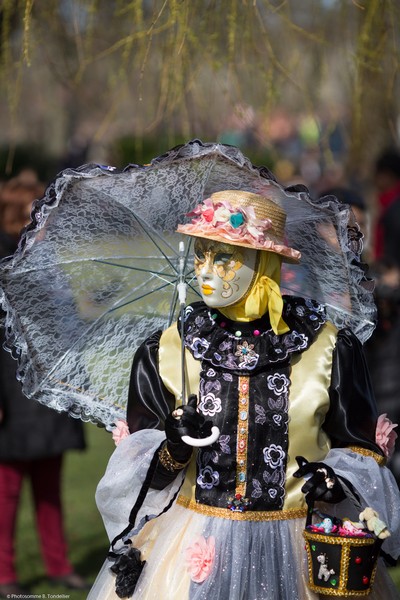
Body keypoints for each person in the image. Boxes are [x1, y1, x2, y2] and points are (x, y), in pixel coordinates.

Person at [88, 187, 400, 600]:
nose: (205, 271)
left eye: (224, 258)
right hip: (192, 542)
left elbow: (359, 448)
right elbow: (143, 476)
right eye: (200, 255)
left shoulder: (328, 348)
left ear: (264, 262)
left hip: (299, 543)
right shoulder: (166, 351)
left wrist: (334, 481)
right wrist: (175, 446)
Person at [0, 170, 88, 597]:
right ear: (19, 211)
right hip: (11, 392)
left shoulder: (49, 259)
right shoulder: (4, 261)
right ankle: (4, 573)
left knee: (50, 488)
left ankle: (59, 565)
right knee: (7, 491)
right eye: (39, 207)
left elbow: (68, 324)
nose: (46, 215)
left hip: (48, 389)